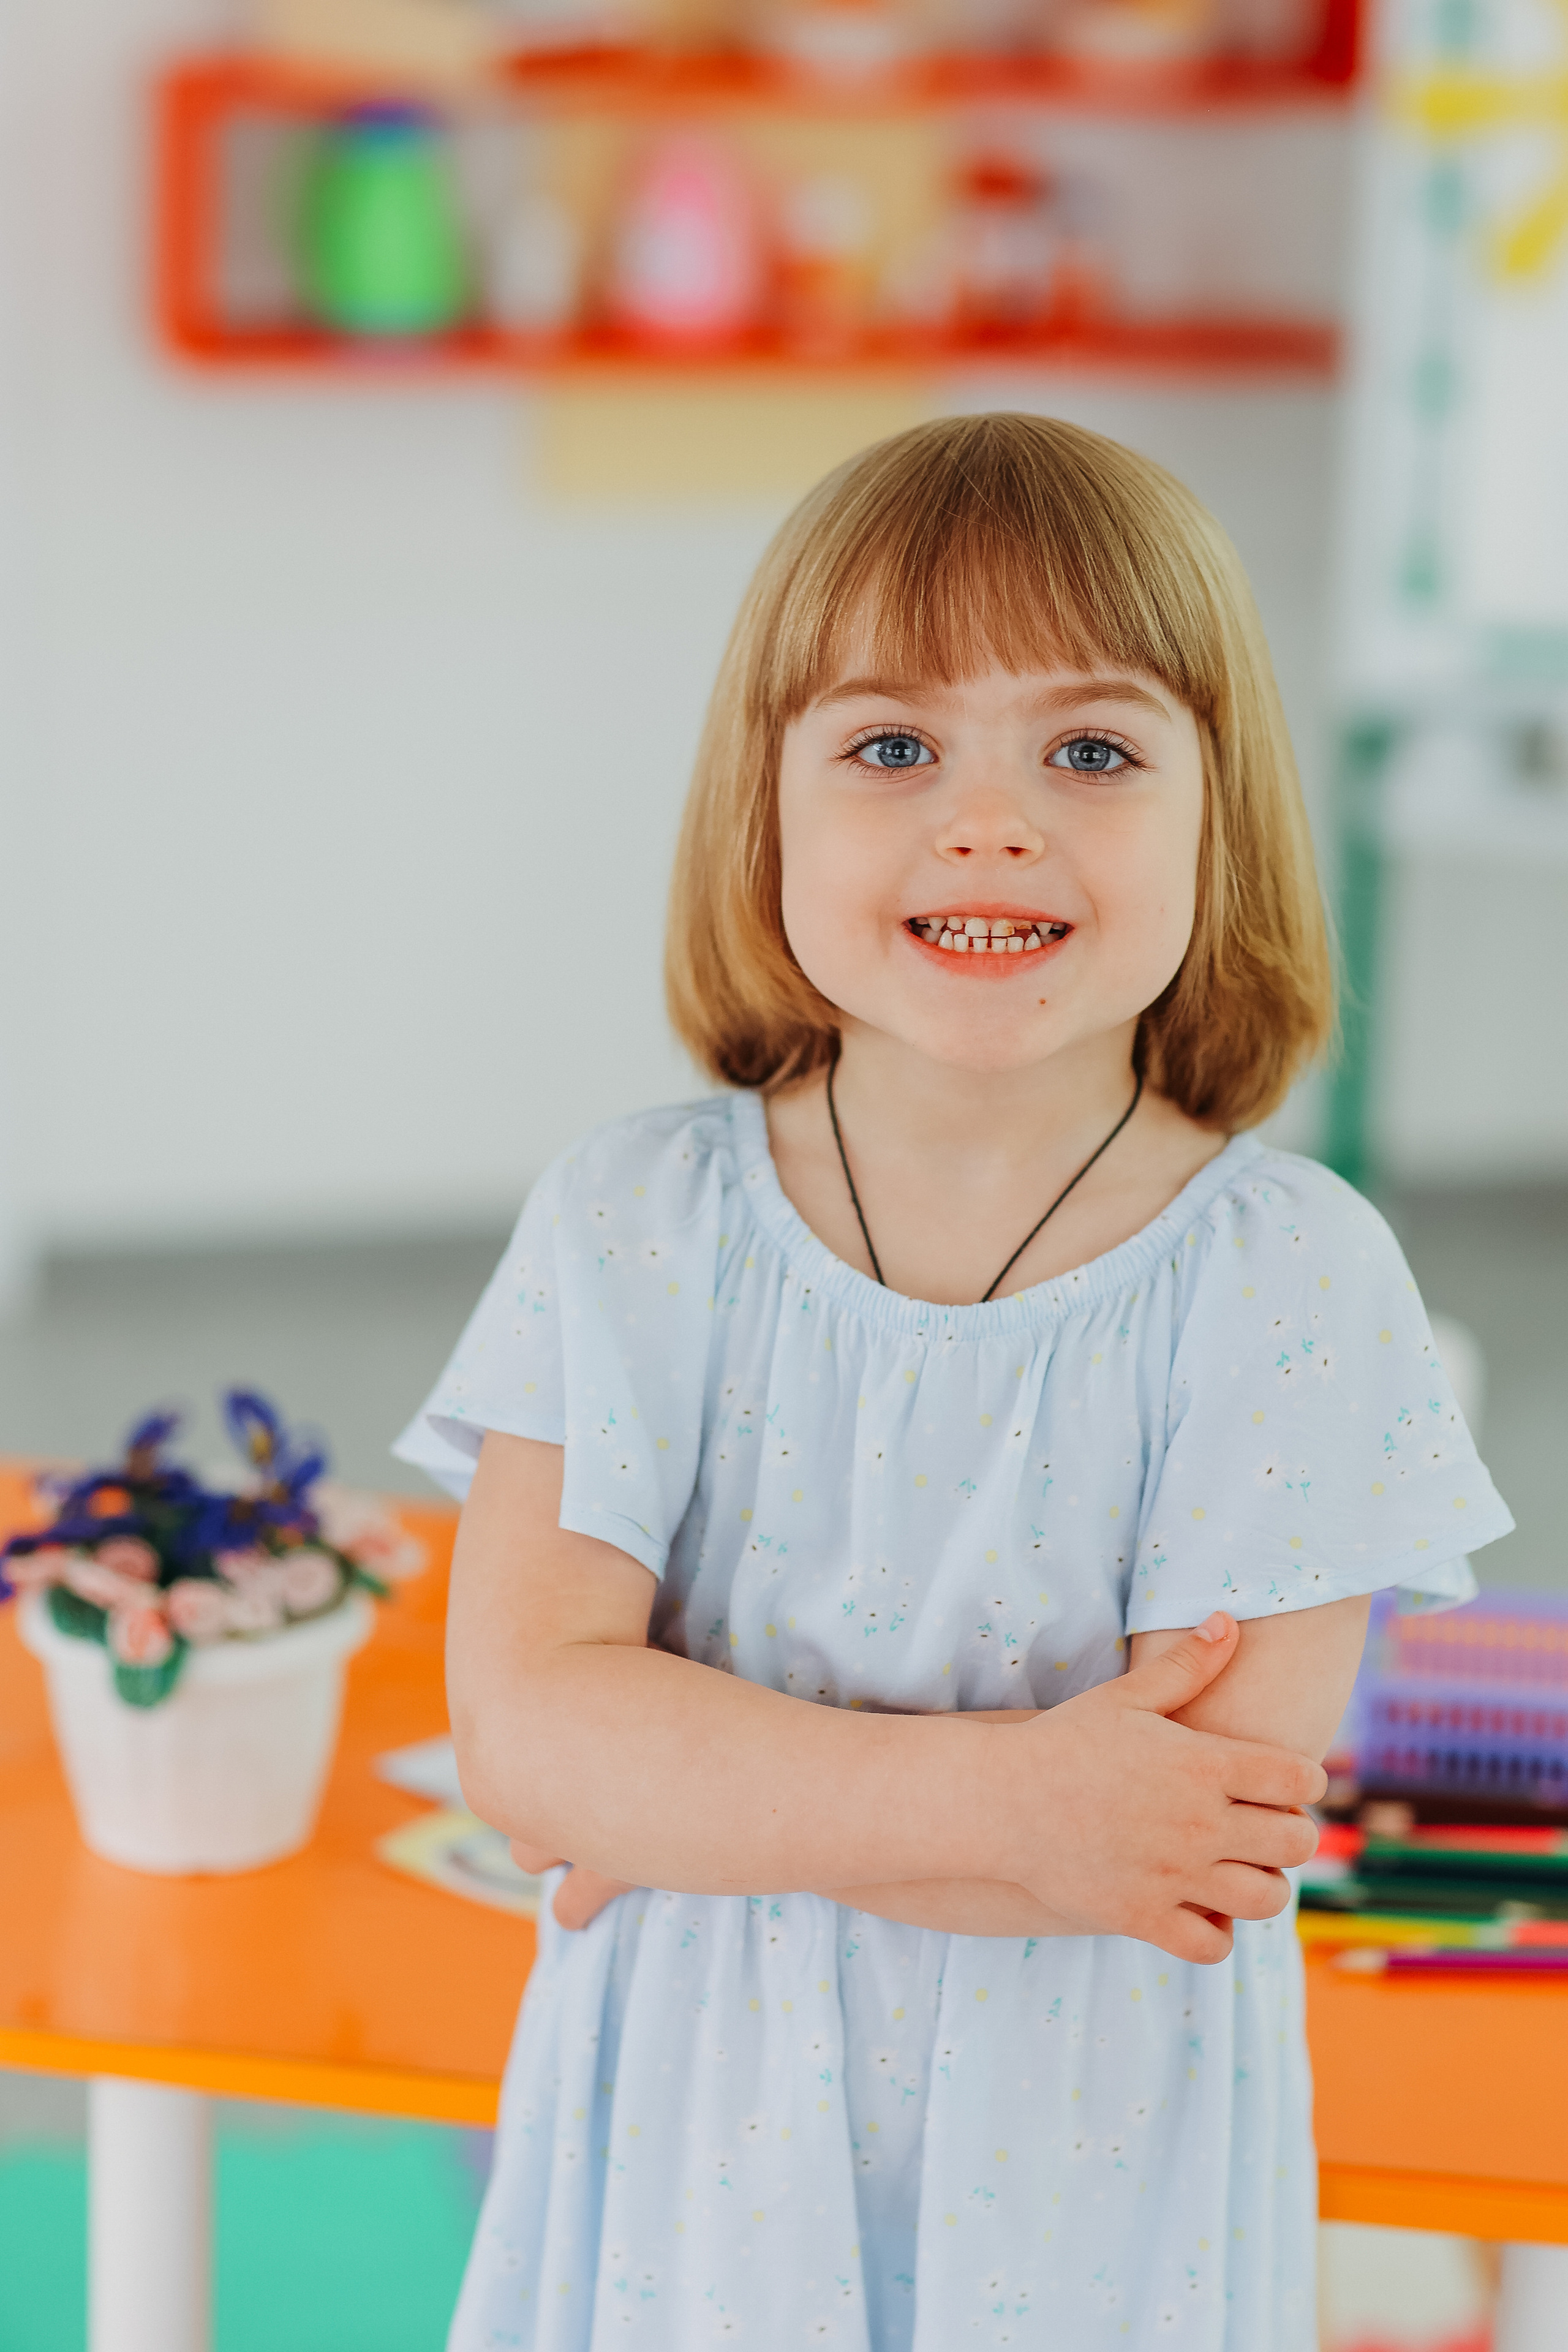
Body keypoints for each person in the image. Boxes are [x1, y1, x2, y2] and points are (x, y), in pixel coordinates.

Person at [396, 413, 1512, 2351]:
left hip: (1094, 2193)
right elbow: (531, 1742)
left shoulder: (1296, 1278)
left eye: (1090, 750)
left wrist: (704, 1793)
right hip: (687, 2174)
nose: (988, 822)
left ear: (1216, 813)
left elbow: (1185, 1842)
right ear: (767, 807)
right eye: (892, 746)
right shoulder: (629, 1226)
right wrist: (1022, 1802)